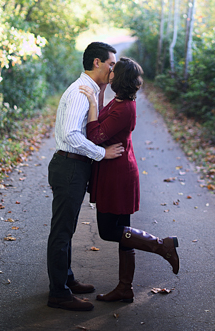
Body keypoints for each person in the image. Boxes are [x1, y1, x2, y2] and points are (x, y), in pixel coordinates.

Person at [78, 57, 180, 303]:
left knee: (108, 230)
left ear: (119, 77)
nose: (109, 70)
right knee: (123, 230)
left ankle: (161, 246)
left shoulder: (124, 108)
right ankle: (125, 288)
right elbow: (102, 127)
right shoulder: (120, 101)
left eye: (114, 69)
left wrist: (92, 102)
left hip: (117, 174)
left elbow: (94, 135)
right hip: (115, 170)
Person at [46, 41, 125, 311]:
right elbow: (70, 135)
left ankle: (66, 281)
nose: (113, 70)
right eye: (111, 64)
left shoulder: (91, 89)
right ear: (97, 63)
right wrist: (102, 153)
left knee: (67, 229)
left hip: (74, 165)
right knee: (62, 230)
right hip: (69, 165)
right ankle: (58, 293)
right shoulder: (81, 92)